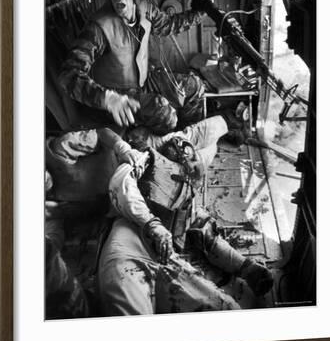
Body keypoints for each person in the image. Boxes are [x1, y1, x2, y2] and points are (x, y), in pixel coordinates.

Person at [97, 115, 274, 316]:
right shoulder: (144, 159)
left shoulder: (186, 196)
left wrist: (245, 267)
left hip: (167, 259)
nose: (189, 159)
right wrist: (151, 223)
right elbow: (120, 185)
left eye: (192, 157)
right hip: (129, 250)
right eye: (186, 155)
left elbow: (205, 234)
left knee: (228, 309)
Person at [59, 0, 216, 129]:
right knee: (165, 114)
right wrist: (107, 98)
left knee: (195, 86)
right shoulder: (99, 28)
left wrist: (200, 12)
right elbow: (68, 75)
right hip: (117, 97)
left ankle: (188, 138)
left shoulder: (146, 8)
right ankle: (148, 143)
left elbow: (168, 25)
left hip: (144, 81)